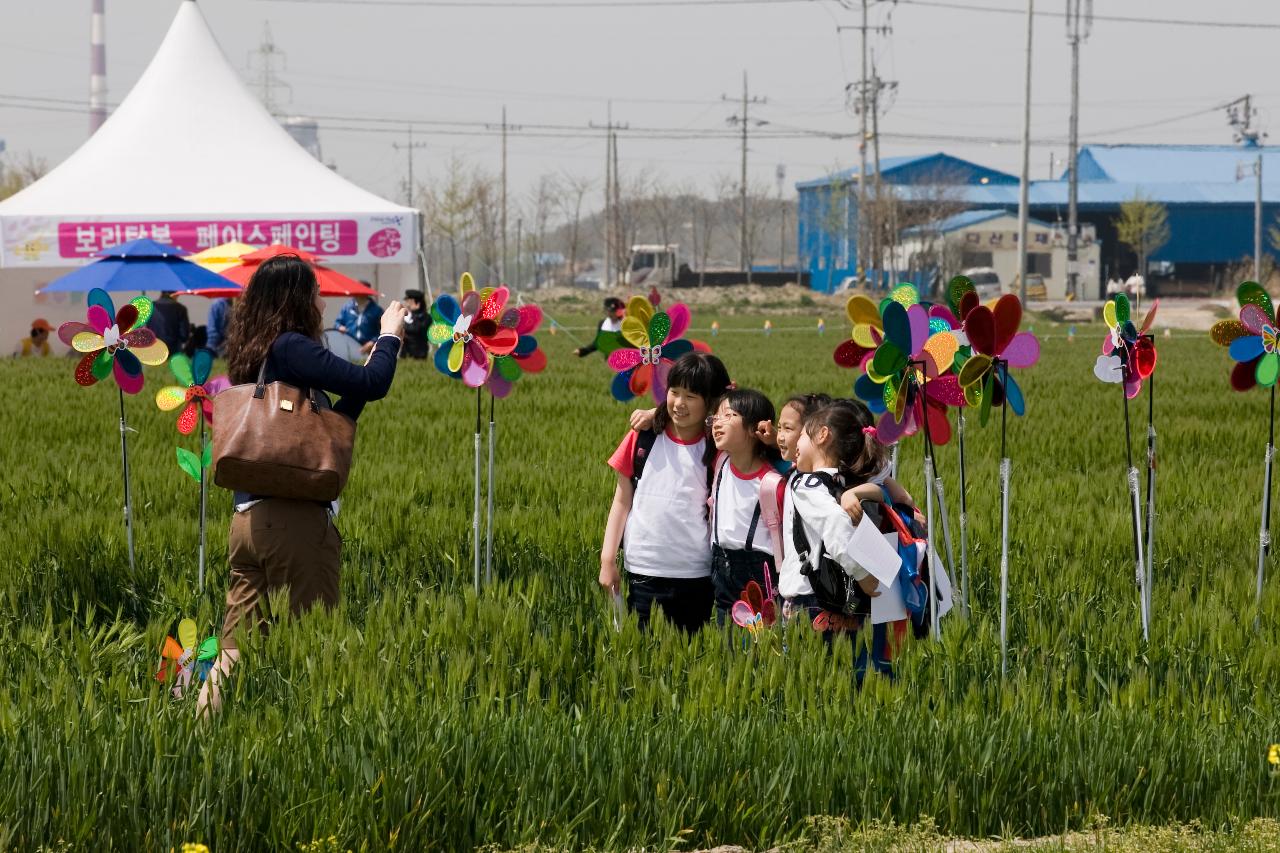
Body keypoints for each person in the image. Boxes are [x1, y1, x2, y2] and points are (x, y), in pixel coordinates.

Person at [197, 254, 407, 717]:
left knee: (234, 647)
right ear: (297, 299)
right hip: (294, 524)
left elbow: (330, 422)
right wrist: (391, 334)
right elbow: (375, 384)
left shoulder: (257, 350)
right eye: (314, 293)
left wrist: (372, 358)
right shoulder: (292, 345)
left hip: (247, 522)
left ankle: (197, 733)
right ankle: (311, 740)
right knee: (315, 646)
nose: (320, 302)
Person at [599, 352, 732, 633]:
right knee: (641, 654)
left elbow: (741, 407)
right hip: (643, 568)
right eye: (674, 392)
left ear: (710, 402)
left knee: (689, 657)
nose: (680, 403)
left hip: (695, 571)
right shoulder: (643, 437)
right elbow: (621, 501)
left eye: (691, 396)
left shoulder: (717, 447)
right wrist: (608, 560)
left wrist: (656, 411)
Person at [783, 399, 907, 686]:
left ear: (822, 435)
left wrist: (863, 575)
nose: (797, 444)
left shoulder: (807, 484)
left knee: (813, 686)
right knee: (848, 682)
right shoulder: (842, 486)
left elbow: (837, 528)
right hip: (845, 603)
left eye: (802, 435)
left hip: (811, 601)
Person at [706, 387, 785, 626]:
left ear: (755, 429)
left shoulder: (773, 484)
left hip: (760, 577)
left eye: (729, 416)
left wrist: (775, 441)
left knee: (760, 655)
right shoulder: (720, 462)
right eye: (716, 417)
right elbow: (684, 417)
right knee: (726, 649)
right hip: (720, 571)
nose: (717, 423)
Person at [401, 289, 430, 359]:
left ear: (417, 303)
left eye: (409, 301)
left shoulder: (425, 317)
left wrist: (415, 312)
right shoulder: (406, 315)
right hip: (405, 354)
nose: (406, 303)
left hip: (419, 354)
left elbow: (416, 329)